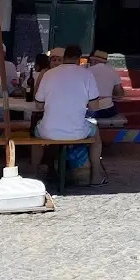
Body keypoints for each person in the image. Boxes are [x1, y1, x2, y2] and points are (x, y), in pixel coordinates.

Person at [32, 44, 106, 186]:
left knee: (36, 133)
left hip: (48, 131)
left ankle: (34, 174)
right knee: (96, 134)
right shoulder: (87, 74)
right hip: (77, 132)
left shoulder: (48, 74)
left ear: (64, 57)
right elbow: (94, 106)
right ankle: (96, 175)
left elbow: (38, 105)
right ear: (79, 59)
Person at [87, 50, 125, 119]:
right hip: (108, 112)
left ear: (95, 61)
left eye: (91, 61)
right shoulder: (112, 71)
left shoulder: (87, 71)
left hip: (91, 111)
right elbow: (120, 94)